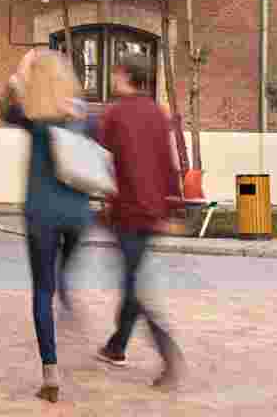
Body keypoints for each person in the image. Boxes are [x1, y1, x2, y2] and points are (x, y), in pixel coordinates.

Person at [0, 49, 91, 404]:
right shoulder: (80, 114)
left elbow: (0, 105)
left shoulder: (31, 117)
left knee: (41, 292)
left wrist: (22, 67)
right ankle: (66, 284)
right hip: (78, 214)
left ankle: (50, 371)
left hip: (41, 214)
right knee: (62, 268)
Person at [94, 54, 186, 388]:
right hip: (152, 212)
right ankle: (116, 346)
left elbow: (100, 162)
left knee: (134, 286)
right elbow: (168, 163)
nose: (113, 79)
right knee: (132, 279)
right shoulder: (157, 114)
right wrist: (174, 208)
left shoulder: (115, 114)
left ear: (125, 76)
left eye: (116, 74)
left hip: (128, 211)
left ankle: (167, 353)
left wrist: (100, 201)